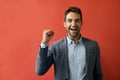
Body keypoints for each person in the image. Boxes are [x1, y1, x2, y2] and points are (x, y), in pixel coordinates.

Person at [35, 7, 103, 80]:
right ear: (65, 24)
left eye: (77, 20)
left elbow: (98, 75)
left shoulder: (93, 46)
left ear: (81, 23)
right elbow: (40, 71)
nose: (73, 24)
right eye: (69, 21)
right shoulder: (56, 47)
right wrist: (44, 43)